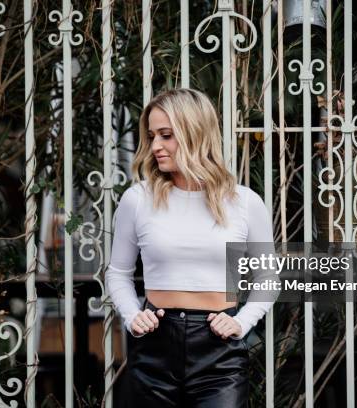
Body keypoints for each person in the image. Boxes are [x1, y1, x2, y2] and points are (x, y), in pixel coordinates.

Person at [104, 88, 276, 408]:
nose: (155, 146)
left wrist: (242, 321)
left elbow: (268, 277)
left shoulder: (245, 203)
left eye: (166, 135)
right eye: (152, 135)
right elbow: (118, 273)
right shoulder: (137, 199)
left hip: (218, 350)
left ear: (195, 133)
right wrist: (131, 316)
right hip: (154, 345)